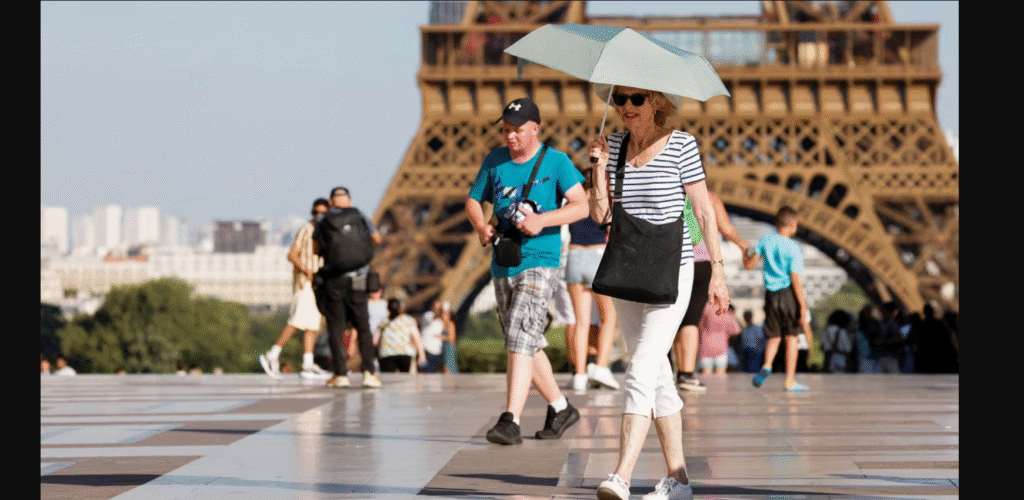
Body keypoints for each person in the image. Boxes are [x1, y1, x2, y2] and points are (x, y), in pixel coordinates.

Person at [588, 85, 729, 500]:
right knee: (659, 378)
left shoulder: (682, 144)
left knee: (642, 369)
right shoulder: (611, 146)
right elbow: (600, 215)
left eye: (636, 99)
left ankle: (622, 475)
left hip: (674, 268)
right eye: (620, 100)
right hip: (627, 270)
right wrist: (596, 167)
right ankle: (679, 480)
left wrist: (718, 273)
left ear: (656, 103)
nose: (626, 107)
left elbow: (703, 209)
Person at [465, 97, 589, 445]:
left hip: (541, 260)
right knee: (526, 340)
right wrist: (481, 226)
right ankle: (561, 407)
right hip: (504, 261)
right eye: (506, 130)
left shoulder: (558, 162)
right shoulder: (495, 160)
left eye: (517, 130)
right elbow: (474, 200)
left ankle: (511, 419)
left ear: (535, 128)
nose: (511, 137)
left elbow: (583, 205)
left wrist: (542, 220)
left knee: (519, 338)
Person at [672, 192, 750, 392]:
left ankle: (672, 370)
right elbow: (726, 229)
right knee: (690, 321)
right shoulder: (710, 198)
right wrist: (741, 244)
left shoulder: (670, 191)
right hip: (700, 261)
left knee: (672, 319)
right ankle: (686, 374)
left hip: (672, 260)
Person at [313, 186, 383, 388]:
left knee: (336, 326)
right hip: (359, 277)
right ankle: (369, 372)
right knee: (363, 326)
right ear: (349, 201)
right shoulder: (359, 214)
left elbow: (316, 249)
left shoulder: (322, 219)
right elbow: (377, 239)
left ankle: (341, 374)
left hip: (335, 279)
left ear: (331, 202)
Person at [259, 198, 333, 380]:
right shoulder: (306, 230)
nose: (319, 216)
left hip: (318, 282)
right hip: (305, 281)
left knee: (312, 324)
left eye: (323, 212)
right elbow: (292, 254)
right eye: (316, 212)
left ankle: (307, 364)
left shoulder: (325, 232)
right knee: (297, 320)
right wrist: (306, 270)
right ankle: (272, 354)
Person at [743, 205, 811, 392]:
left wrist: (744, 252)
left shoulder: (765, 240)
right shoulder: (794, 247)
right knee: (791, 338)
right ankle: (790, 380)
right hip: (788, 294)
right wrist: (803, 306)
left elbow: (749, 266)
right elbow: (795, 279)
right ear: (793, 224)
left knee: (774, 337)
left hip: (771, 296)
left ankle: (767, 365)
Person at [564, 215, 619, 392]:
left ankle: (580, 376)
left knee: (580, 322)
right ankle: (601, 368)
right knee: (609, 318)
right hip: (598, 254)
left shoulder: (573, 194)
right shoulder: (603, 197)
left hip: (573, 255)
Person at [376, 298, 427, 372]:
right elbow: (417, 338)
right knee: (405, 380)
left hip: (386, 353)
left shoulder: (383, 322)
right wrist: (422, 355)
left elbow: (375, 341)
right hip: (405, 353)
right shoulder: (409, 320)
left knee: (388, 380)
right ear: (401, 309)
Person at [697, 303, 741, 375]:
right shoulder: (725, 312)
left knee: (706, 376)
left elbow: (698, 326)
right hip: (721, 348)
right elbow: (736, 330)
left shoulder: (705, 310)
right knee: (720, 377)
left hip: (706, 347)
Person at [419, 302, 445, 373]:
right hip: (427, 349)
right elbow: (430, 320)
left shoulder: (440, 320)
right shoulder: (427, 315)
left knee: (433, 373)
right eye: (436, 307)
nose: (438, 309)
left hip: (436, 350)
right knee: (425, 372)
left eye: (439, 308)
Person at [440, 301, 460, 373]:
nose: (442, 316)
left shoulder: (450, 324)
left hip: (449, 348)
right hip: (445, 348)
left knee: (448, 369)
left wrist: (440, 337)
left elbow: (452, 338)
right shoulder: (443, 324)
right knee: (445, 369)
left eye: (444, 314)